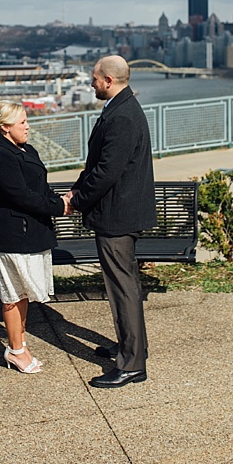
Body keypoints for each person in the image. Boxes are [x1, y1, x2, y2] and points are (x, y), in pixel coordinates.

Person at [70, 55, 157, 389]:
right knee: (125, 286)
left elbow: (107, 172)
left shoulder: (121, 116)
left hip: (118, 216)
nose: (91, 83)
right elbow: (101, 164)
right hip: (120, 212)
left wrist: (77, 200)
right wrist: (79, 187)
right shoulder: (122, 107)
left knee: (123, 289)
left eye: (94, 79)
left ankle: (132, 364)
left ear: (108, 80)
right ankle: (131, 347)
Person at [0, 101, 68, 374]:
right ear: (6, 127)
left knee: (23, 293)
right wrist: (59, 207)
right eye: (22, 122)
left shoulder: (26, 149)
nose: (28, 126)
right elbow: (21, 196)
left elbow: (40, 188)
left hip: (33, 233)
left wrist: (60, 201)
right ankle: (16, 351)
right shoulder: (0, 157)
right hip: (15, 235)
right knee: (13, 293)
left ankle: (18, 344)